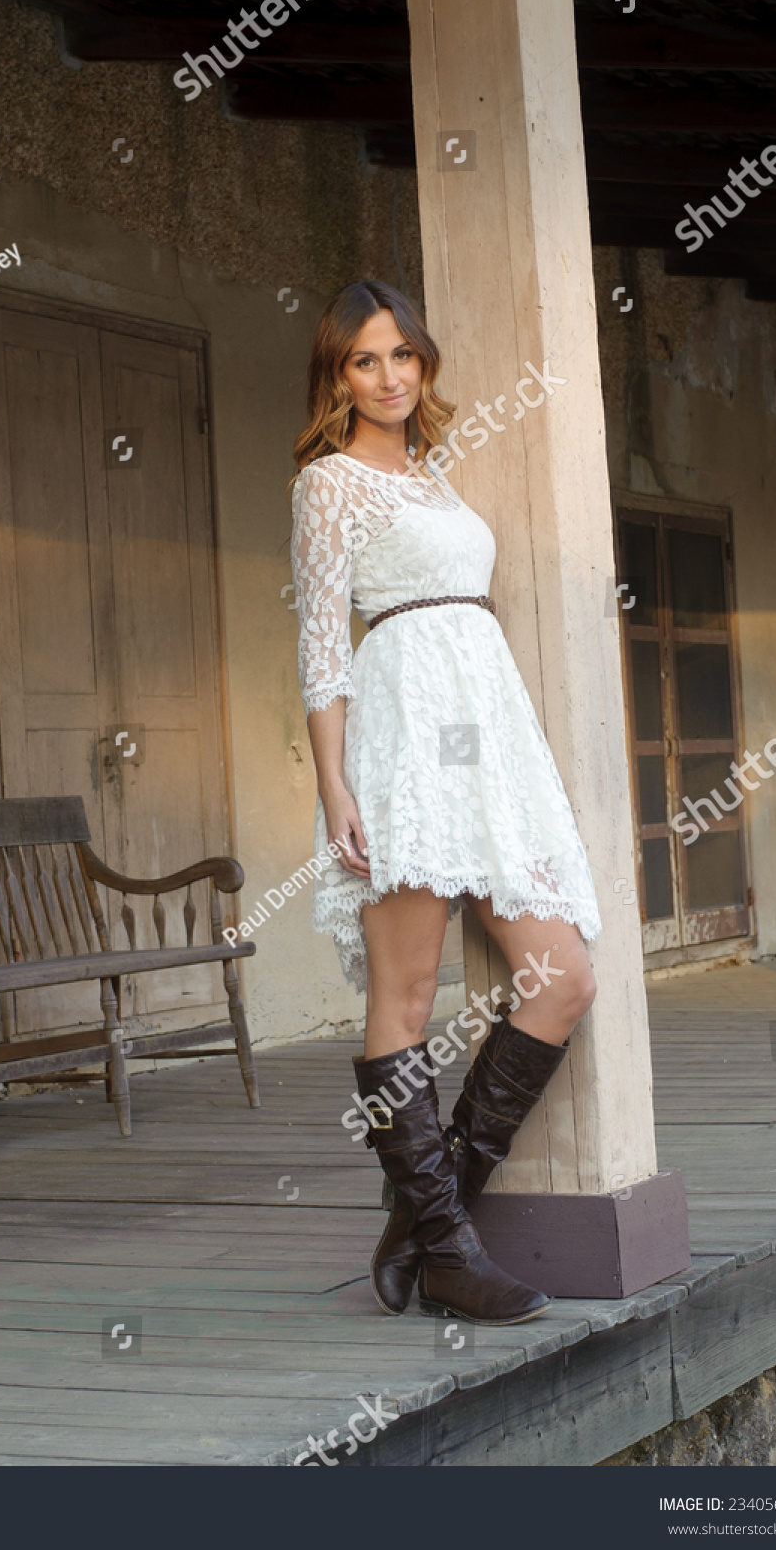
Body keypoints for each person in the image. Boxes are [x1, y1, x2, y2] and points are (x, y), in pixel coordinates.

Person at [289, 280, 602, 1326]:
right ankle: (453, 1255)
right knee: (407, 1002)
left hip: (485, 748)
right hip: (403, 747)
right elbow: (324, 644)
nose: (388, 378)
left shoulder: (433, 479)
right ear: (338, 376)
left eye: (402, 357)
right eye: (364, 362)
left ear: (424, 363)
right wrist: (335, 784)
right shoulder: (328, 485)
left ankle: (430, 1224)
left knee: (562, 978)